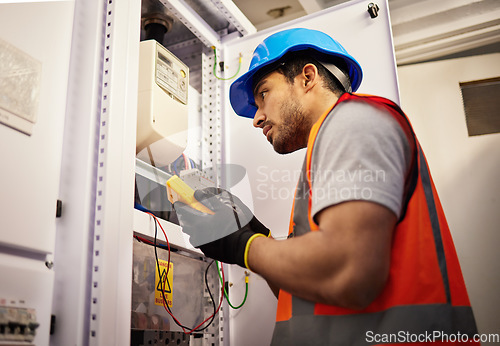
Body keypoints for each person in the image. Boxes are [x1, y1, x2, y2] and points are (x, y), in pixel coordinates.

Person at [174, 28, 478, 345]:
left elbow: (348, 272)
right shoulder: (332, 146)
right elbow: (303, 289)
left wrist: (243, 246)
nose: (257, 117)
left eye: (263, 94)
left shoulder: (354, 122)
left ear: (307, 78)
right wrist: (253, 233)